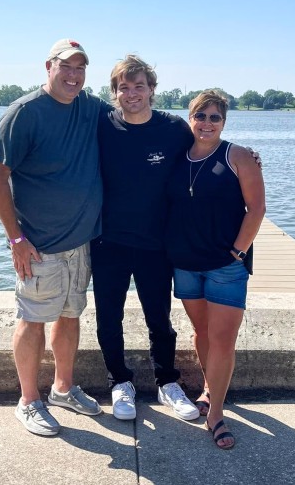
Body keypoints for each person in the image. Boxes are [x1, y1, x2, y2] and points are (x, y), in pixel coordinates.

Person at [0, 38, 109, 437]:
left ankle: (63, 388)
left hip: (81, 242)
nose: (74, 76)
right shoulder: (25, 112)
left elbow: (138, 118)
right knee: (33, 319)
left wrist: (209, 144)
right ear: (48, 67)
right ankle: (28, 401)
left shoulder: (90, 107)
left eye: (80, 68)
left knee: (71, 315)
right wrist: (16, 240)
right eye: (66, 67)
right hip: (37, 246)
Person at [93, 55, 200, 422]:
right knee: (109, 317)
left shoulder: (173, 129)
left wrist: (245, 158)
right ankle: (119, 382)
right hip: (109, 242)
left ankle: (167, 382)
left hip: (156, 243)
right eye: (124, 87)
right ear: (115, 92)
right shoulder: (102, 126)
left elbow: (204, 153)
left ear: (152, 90)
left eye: (139, 86)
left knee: (159, 317)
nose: (132, 93)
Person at [165, 89, 266, 450]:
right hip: (186, 263)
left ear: (224, 121)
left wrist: (238, 251)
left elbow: (256, 209)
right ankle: (208, 388)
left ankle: (216, 414)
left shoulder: (238, 156)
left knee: (223, 339)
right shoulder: (177, 156)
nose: (207, 123)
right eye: (200, 115)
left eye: (215, 117)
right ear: (190, 118)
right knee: (201, 331)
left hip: (226, 265)